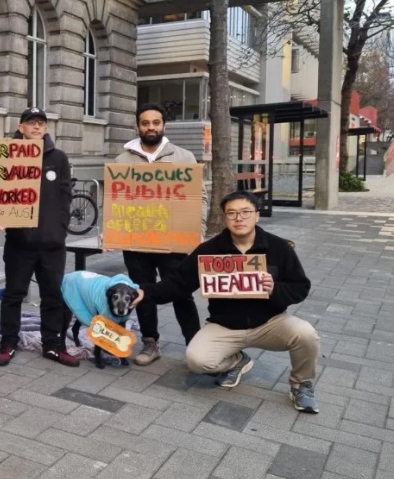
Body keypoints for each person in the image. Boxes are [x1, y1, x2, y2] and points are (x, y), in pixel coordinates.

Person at [136, 191, 319, 413]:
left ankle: (301, 385)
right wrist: (144, 292)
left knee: (306, 333)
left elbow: (301, 287)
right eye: (231, 213)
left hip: (269, 323)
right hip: (224, 325)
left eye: (245, 212)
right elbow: (178, 283)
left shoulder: (278, 247)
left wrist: (275, 288)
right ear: (224, 218)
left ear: (257, 216)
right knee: (196, 360)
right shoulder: (209, 251)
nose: (238, 218)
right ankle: (237, 361)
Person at [112, 103, 204, 366]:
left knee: (181, 292)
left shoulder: (184, 157)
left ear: (164, 125)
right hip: (136, 243)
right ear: (137, 126)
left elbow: (200, 197)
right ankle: (150, 342)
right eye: (145, 123)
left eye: (156, 122)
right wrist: (111, 233)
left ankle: (194, 344)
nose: (150, 127)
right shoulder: (122, 160)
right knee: (141, 292)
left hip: (173, 242)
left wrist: (196, 230)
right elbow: (114, 199)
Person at [0, 107, 74, 367]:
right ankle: (8, 341)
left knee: (53, 296)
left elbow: (65, 197)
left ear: (46, 129)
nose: (37, 128)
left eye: (41, 124)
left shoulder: (58, 158)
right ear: (21, 127)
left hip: (52, 244)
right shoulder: (8, 156)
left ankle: (52, 344)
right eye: (31, 123)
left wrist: (60, 230)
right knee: (14, 294)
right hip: (20, 243)